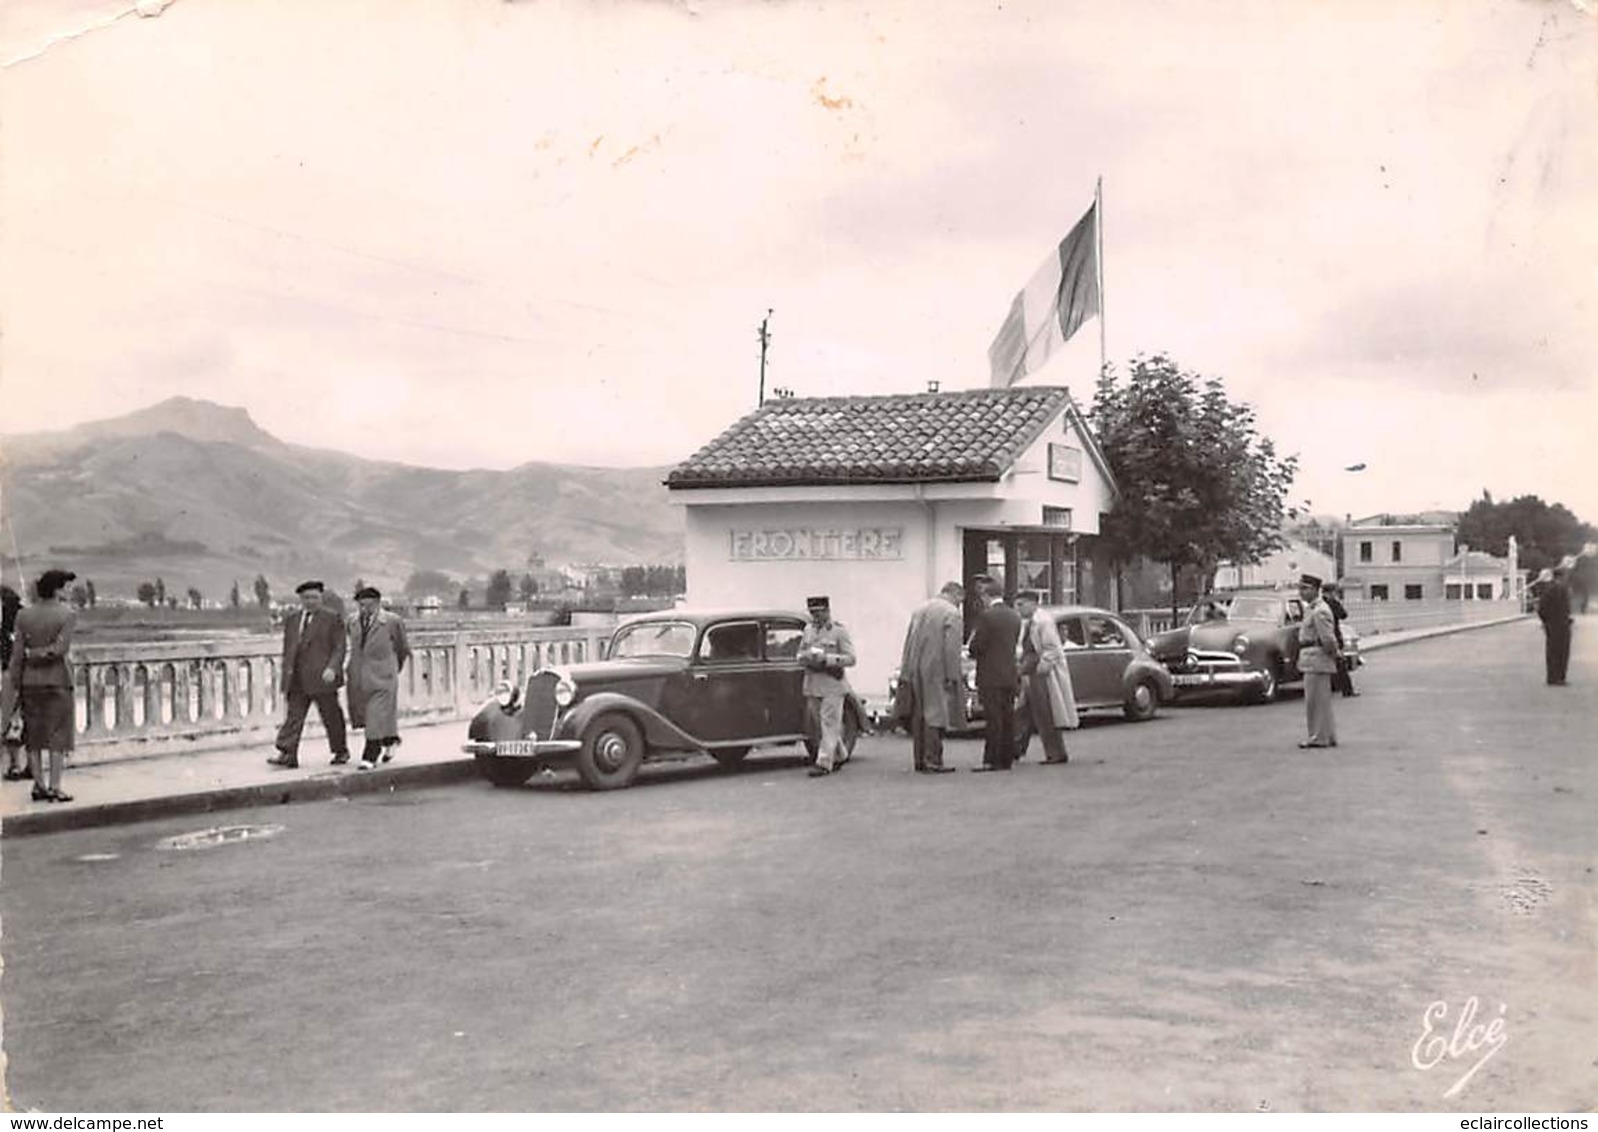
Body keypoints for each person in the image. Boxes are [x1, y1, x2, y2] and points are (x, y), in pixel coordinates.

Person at [5, 569, 79, 802]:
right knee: (58, 737)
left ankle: (39, 785)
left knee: (33, 736)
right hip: (58, 681)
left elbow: (16, 657)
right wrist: (38, 653)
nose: (68, 590)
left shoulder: (23, 616)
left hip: (30, 682)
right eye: (66, 586)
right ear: (57, 589)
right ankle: (55, 787)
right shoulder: (68, 614)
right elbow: (60, 649)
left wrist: (16, 682)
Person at [270, 580, 350, 769]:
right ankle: (288, 754)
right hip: (296, 678)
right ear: (300, 599)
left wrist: (332, 668)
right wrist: (286, 673)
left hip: (323, 677)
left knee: (331, 716)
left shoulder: (332, 618)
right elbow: (289, 649)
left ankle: (340, 751)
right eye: (306, 598)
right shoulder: (292, 620)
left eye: (314, 597)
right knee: (294, 717)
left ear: (321, 597)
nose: (310, 601)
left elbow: (340, 647)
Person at [897, 581, 964, 774]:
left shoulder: (920, 609)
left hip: (914, 667)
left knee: (919, 714)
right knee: (935, 714)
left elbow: (908, 641)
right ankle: (933, 759)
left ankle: (919, 759)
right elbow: (951, 647)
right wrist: (952, 674)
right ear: (955, 595)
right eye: (960, 599)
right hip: (936, 668)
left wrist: (906, 670)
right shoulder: (952, 613)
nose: (960, 604)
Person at [345, 586, 412, 770]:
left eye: (369, 605)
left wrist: (393, 667)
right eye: (361, 605)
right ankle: (391, 739)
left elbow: (402, 647)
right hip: (359, 676)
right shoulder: (352, 621)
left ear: (378, 604)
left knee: (375, 715)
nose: (364, 609)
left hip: (383, 675)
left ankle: (370, 755)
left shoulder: (391, 621)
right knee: (372, 715)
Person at [1013, 592, 1076, 765]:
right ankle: (1015, 748)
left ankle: (1055, 752)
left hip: (1040, 673)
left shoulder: (1043, 622)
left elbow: (1051, 648)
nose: (1018, 609)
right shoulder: (1030, 622)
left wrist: (1042, 668)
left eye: (1021, 604)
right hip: (1030, 670)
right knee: (1023, 712)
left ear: (1033, 603)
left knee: (1045, 714)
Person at [966, 579, 1021, 772]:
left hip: (990, 674)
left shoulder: (986, 617)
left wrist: (971, 651)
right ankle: (1007, 758)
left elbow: (977, 645)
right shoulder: (1014, 616)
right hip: (1009, 672)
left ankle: (992, 759)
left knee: (993, 719)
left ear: (986, 596)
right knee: (1008, 717)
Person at [799, 595, 856, 778]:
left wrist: (828, 659)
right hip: (813, 683)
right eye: (812, 612)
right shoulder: (808, 630)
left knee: (829, 723)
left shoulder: (838, 631)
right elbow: (800, 651)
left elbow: (851, 658)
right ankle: (840, 754)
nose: (815, 616)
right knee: (820, 723)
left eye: (819, 612)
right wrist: (804, 657)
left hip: (832, 683)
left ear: (827, 611)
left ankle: (824, 762)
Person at [1296, 573, 1342, 749]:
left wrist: (1334, 653)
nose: (1301, 592)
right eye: (1300, 588)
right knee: (1321, 700)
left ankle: (1318, 737)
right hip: (1313, 657)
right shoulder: (1312, 608)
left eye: (1305, 588)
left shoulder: (1320, 610)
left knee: (1315, 702)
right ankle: (1327, 735)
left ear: (1315, 590)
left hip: (1317, 657)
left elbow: (1327, 638)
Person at [1, 584, 28, 780]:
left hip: (10, 673)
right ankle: (14, 764)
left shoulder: (15, 614)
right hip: (11, 672)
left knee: (12, 721)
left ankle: (14, 764)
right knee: (12, 720)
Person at [1537, 566, 1573, 686]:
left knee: (1552, 651)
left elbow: (1541, 609)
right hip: (1562, 625)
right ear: (1560, 577)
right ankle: (1559, 677)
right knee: (1562, 651)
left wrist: (1546, 622)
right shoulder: (1562, 590)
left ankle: (1552, 677)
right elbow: (1565, 609)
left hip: (1552, 625)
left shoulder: (1548, 590)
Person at [1323, 582, 1358, 698]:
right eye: (1335, 592)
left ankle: (1326, 689)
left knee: (1324, 664)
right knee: (1340, 665)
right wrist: (1337, 602)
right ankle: (1347, 690)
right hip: (1333, 637)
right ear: (1331, 592)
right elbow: (1343, 615)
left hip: (1321, 638)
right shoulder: (1332, 604)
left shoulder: (1318, 604)